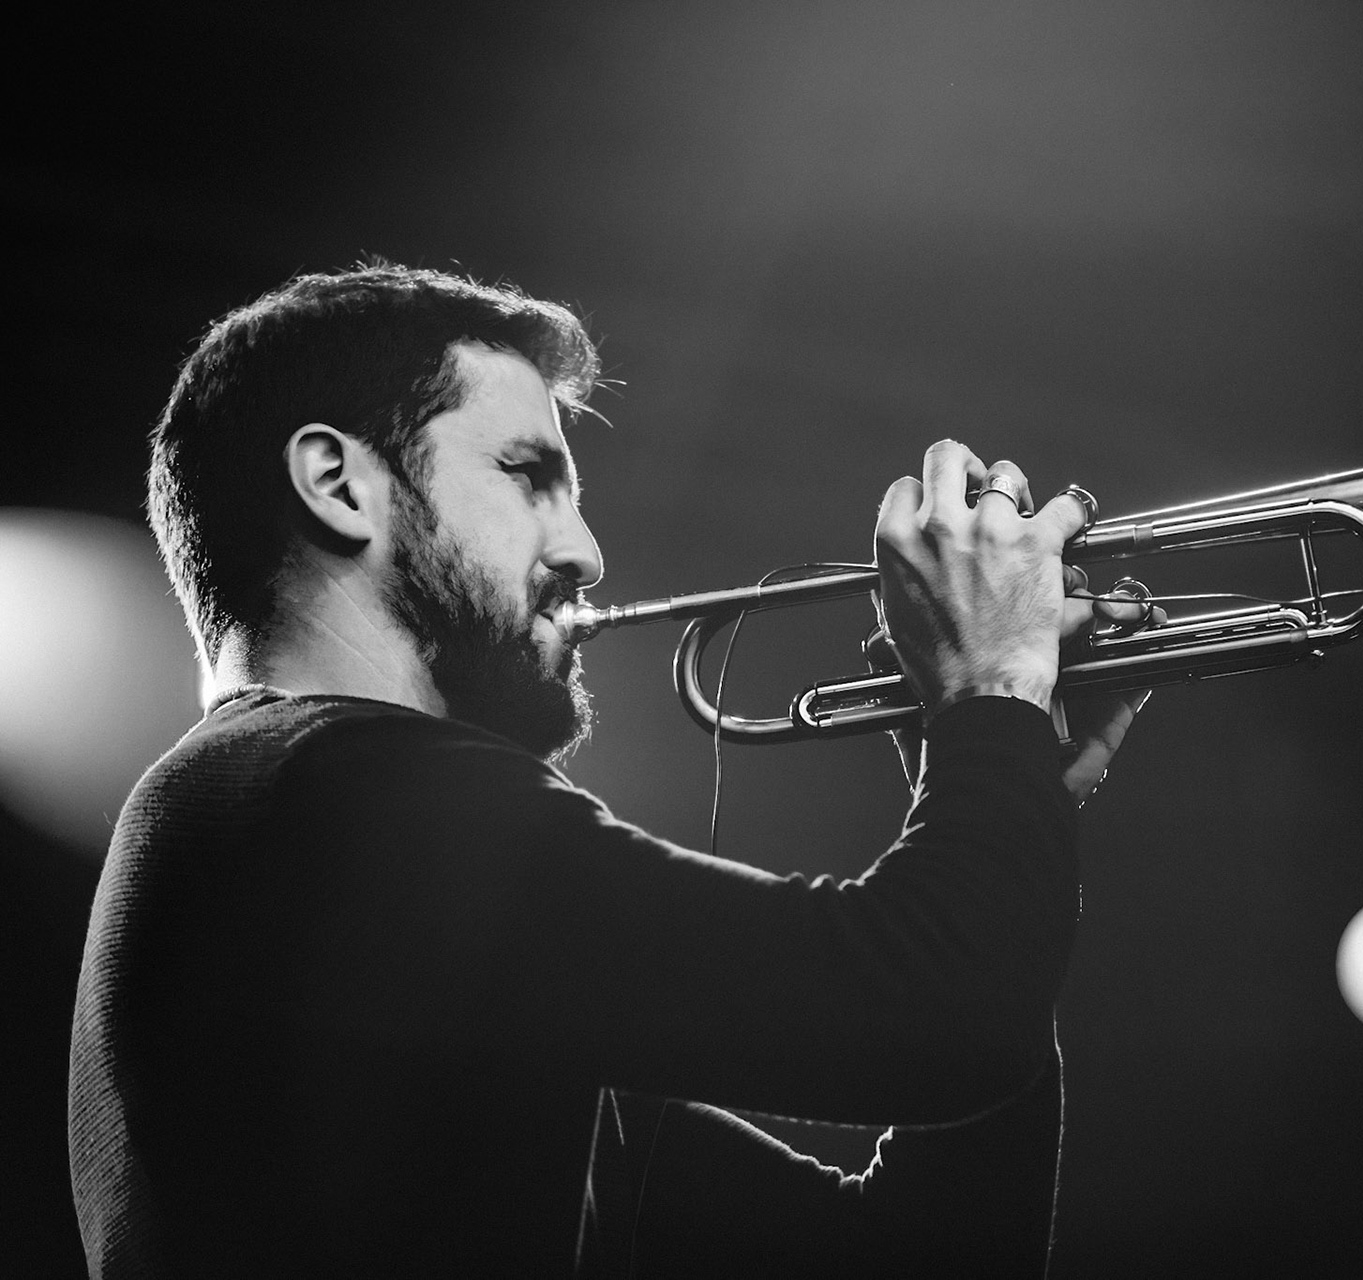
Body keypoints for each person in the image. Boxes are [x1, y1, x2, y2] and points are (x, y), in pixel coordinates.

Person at [68, 263, 1143, 1277]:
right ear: (340, 483)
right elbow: (947, 1018)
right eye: (529, 476)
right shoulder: (332, 789)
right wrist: (991, 697)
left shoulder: (299, 848)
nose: (584, 549)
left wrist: (1016, 777)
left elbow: (926, 1254)